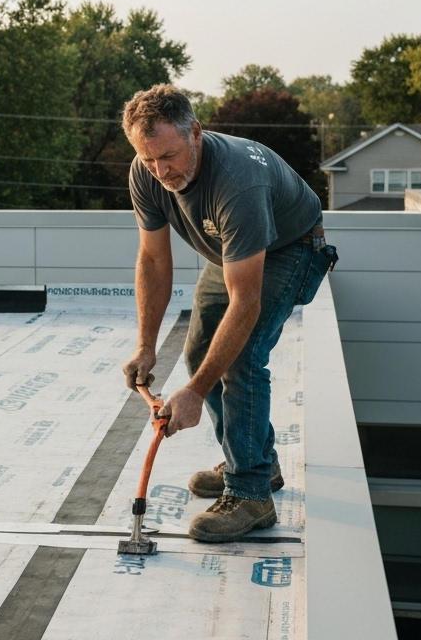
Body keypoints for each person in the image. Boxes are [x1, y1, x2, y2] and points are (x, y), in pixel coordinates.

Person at [120, 84, 337, 542]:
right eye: (150, 158)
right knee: (200, 351)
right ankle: (258, 460)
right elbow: (154, 260)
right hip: (229, 253)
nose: (161, 171)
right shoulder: (146, 171)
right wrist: (145, 345)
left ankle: (251, 494)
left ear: (195, 133)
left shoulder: (237, 181)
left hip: (290, 248)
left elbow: (247, 302)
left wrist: (196, 393)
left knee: (241, 357)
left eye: (170, 156)